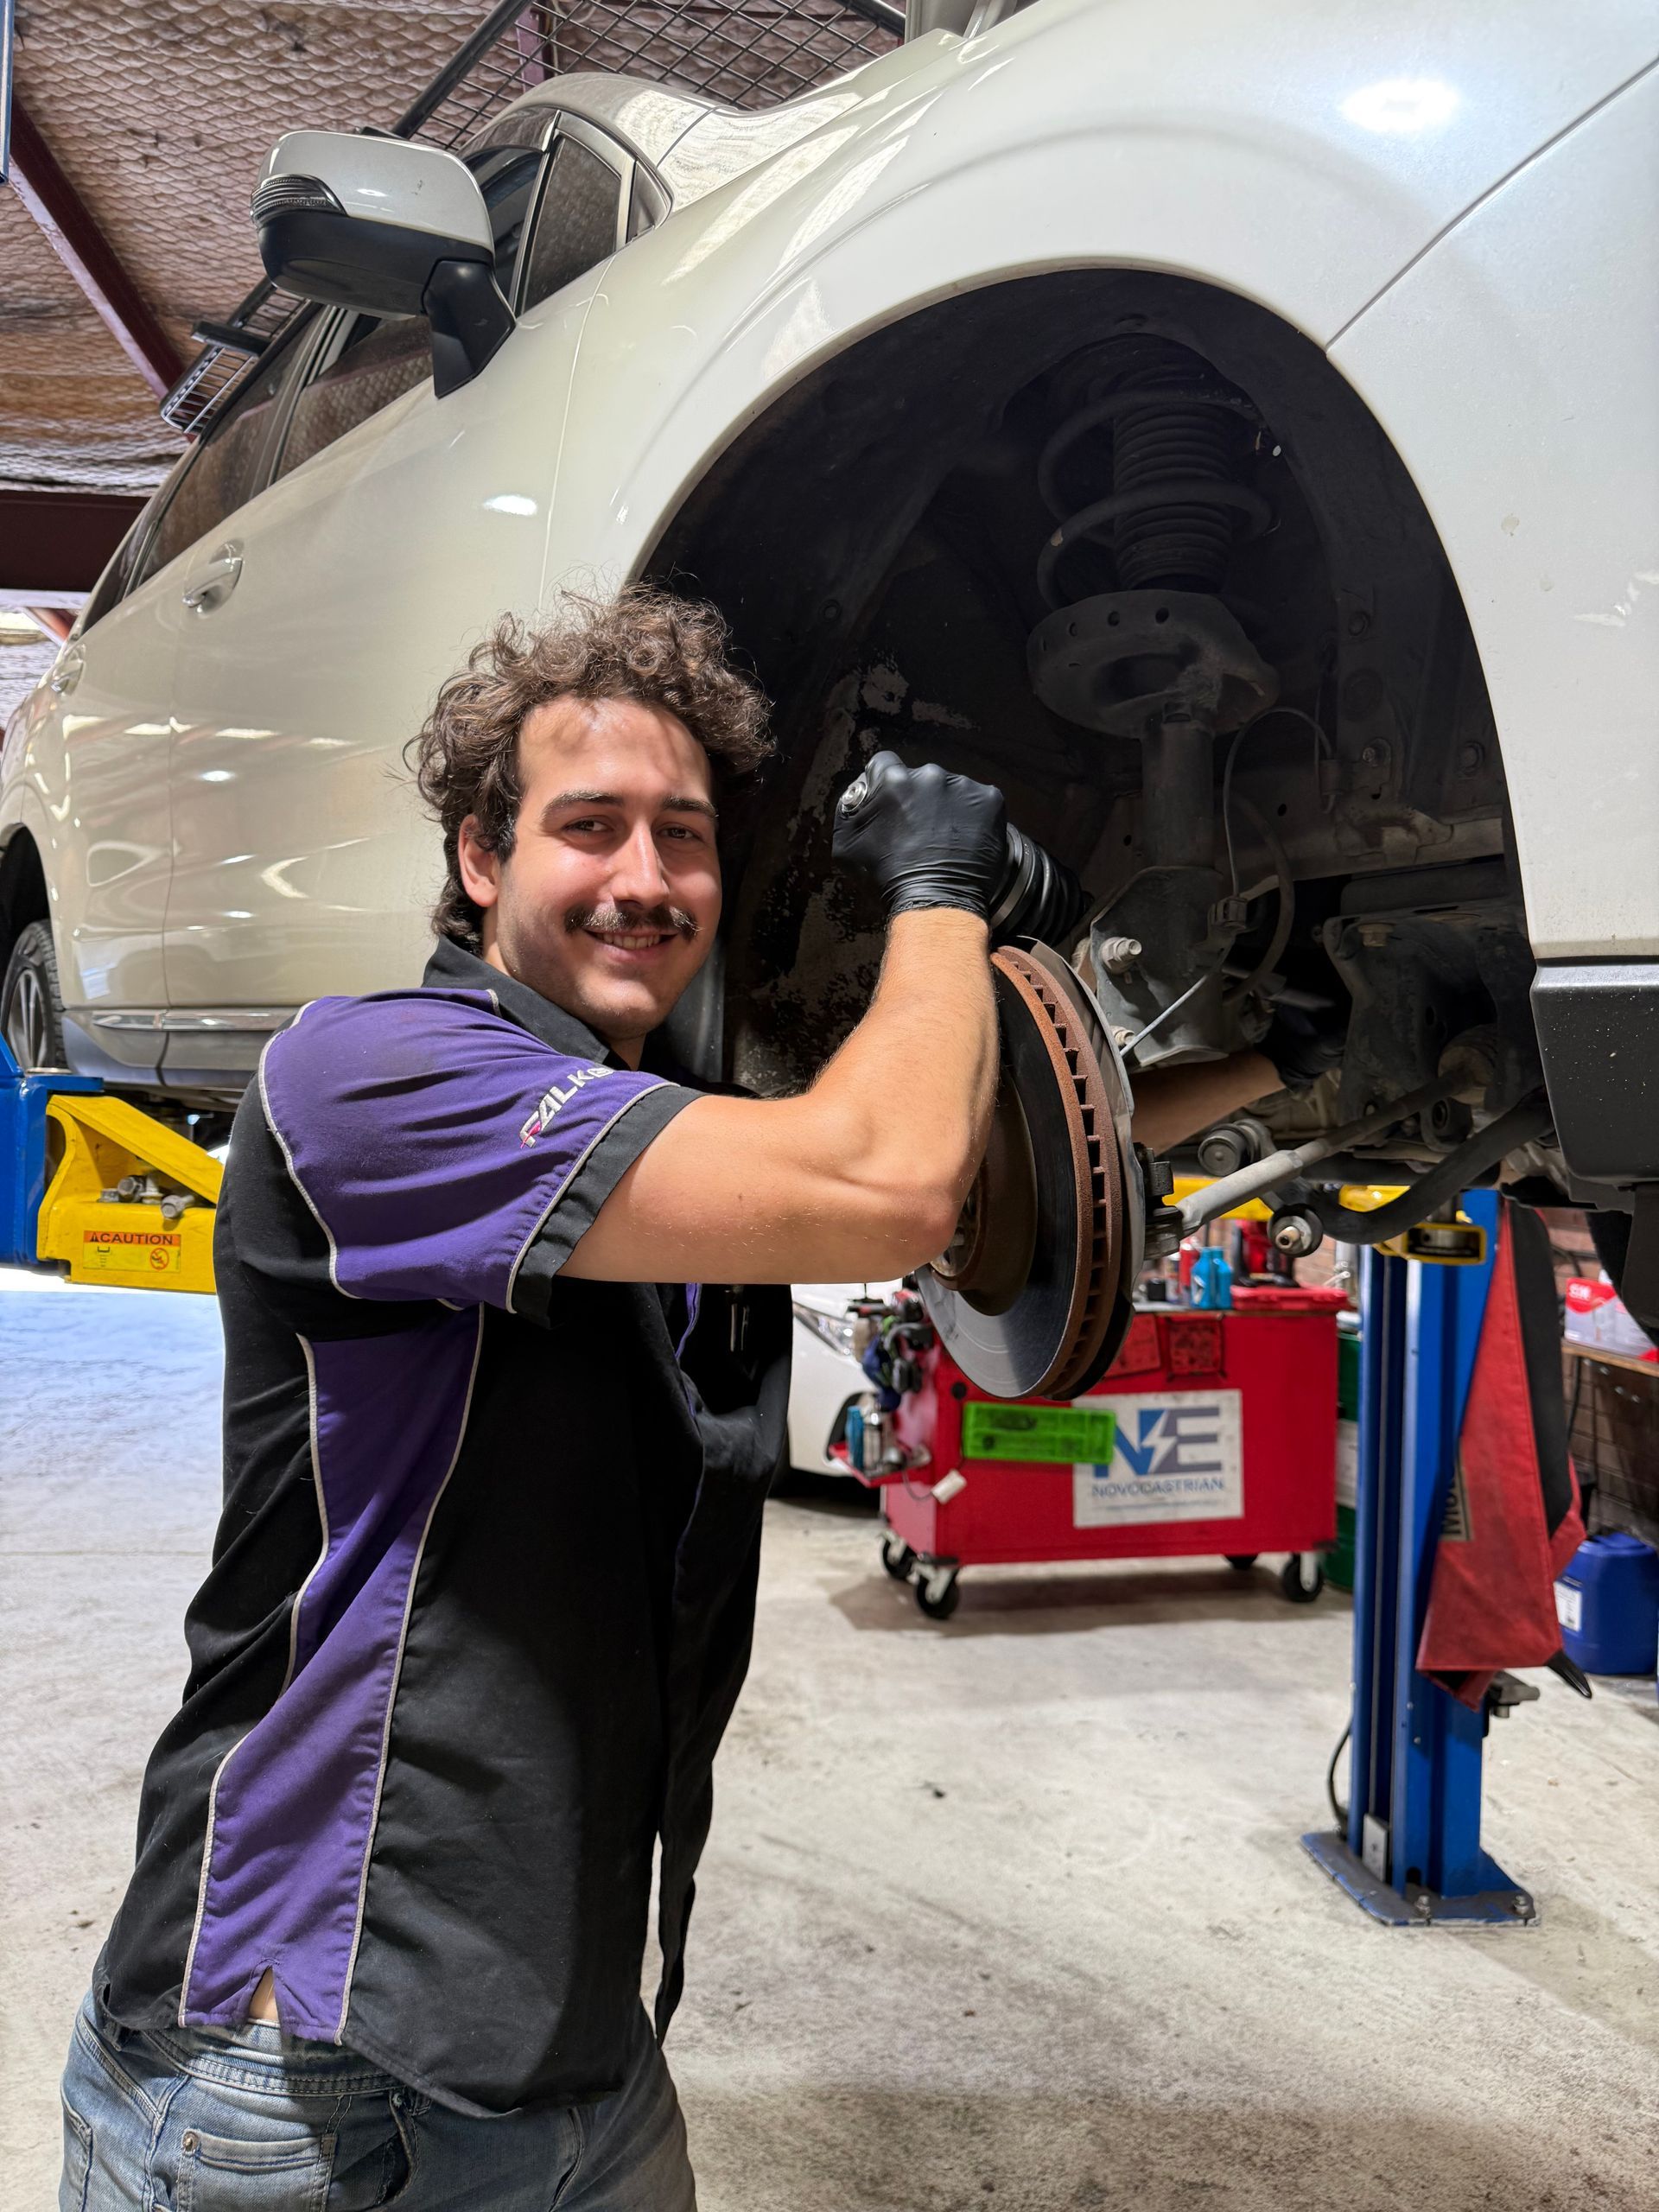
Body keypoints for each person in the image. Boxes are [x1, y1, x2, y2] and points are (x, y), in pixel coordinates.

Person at [55, 585, 1328, 2210]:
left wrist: (1297, 1056)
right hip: (301, 2063)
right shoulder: (368, 1076)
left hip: (572, 2045)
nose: (647, 881)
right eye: (590, 827)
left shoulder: (664, 1131)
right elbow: (884, 1182)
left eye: (687, 835)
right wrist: (940, 900)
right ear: (478, 858)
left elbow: (994, 1184)